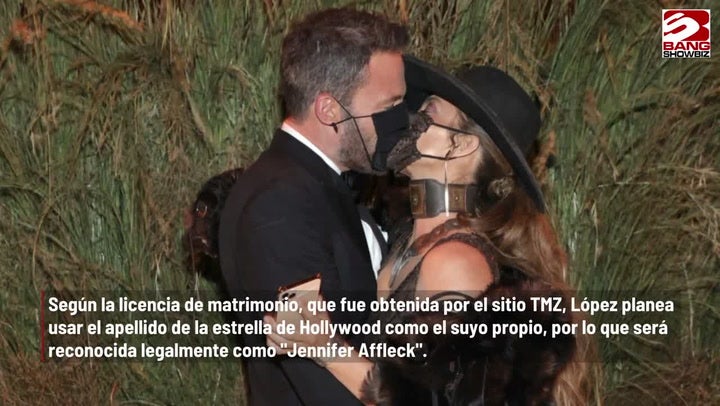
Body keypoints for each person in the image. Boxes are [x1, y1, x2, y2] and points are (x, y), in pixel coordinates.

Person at [263, 55, 590, 405]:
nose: (406, 119)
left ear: (460, 145)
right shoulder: (408, 240)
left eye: (428, 112)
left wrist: (325, 347)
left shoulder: (454, 262)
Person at [217, 8, 409, 406]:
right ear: (329, 110)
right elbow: (320, 383)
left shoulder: (313, 185)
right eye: (387, 107)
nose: (400, 122)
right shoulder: (280, 206)